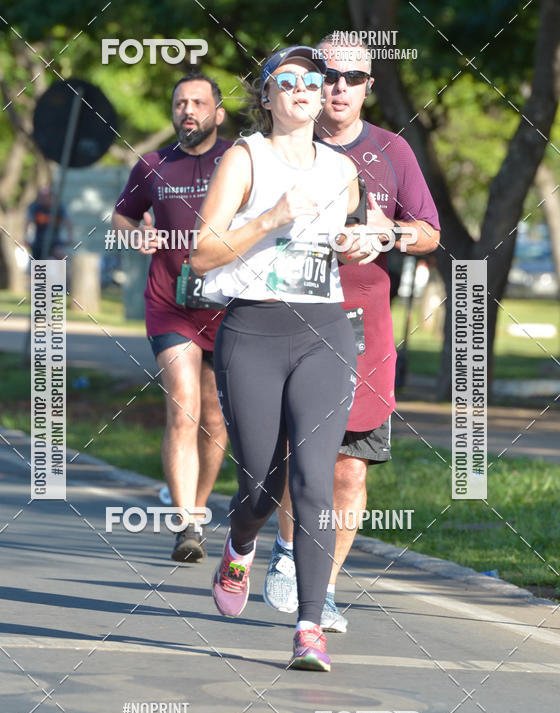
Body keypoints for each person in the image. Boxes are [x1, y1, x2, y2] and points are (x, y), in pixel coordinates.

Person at [190, 46, 362, 672]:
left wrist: (357, 243)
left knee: (315, 481)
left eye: (312, 83)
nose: (302, 90)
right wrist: (270, 217)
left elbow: (346, 242)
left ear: (321, 98)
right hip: (252, 331)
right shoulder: (245, 158)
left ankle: (309, 626)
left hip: (324, 331)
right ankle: (239, 542)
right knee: (263, 484)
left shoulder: (342, 168)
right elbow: (203, 255)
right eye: (285, 82)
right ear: (266, 97)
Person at [263, 34, 441, 630]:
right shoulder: (276, 148)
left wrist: (387, 235)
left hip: (364, 326)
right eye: (325, 77)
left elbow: (429, 232)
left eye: (353, 78)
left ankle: (327, 587)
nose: (338, 88)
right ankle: (288, 554)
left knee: (347, 467)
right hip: (286, 316)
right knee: (295, 457)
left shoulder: (392, 151)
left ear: (369, 85)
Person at [112, 74, 230, 563]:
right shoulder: (153, 165)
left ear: (218, 113)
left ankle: (198, 510)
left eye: (199, 103)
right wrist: (135, 237)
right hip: (171, 301)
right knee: (183, 405)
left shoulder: (240, 159)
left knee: (216, 417)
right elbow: (121, 218)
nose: (189, 110)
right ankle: (185, 523)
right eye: (181, 102)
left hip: (228, 303)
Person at [26, 186, 72, 259]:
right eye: (40, 197)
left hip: (55, 241)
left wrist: (70, 237)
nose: (42, 200)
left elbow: (68, 223)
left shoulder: (59, 208)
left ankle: (62, 269)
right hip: (39, 242)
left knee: (61, 255)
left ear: (51, 197)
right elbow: (29, 222)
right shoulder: (35, 207)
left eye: (45, 197)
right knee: (37, 261)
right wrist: (27, 238)